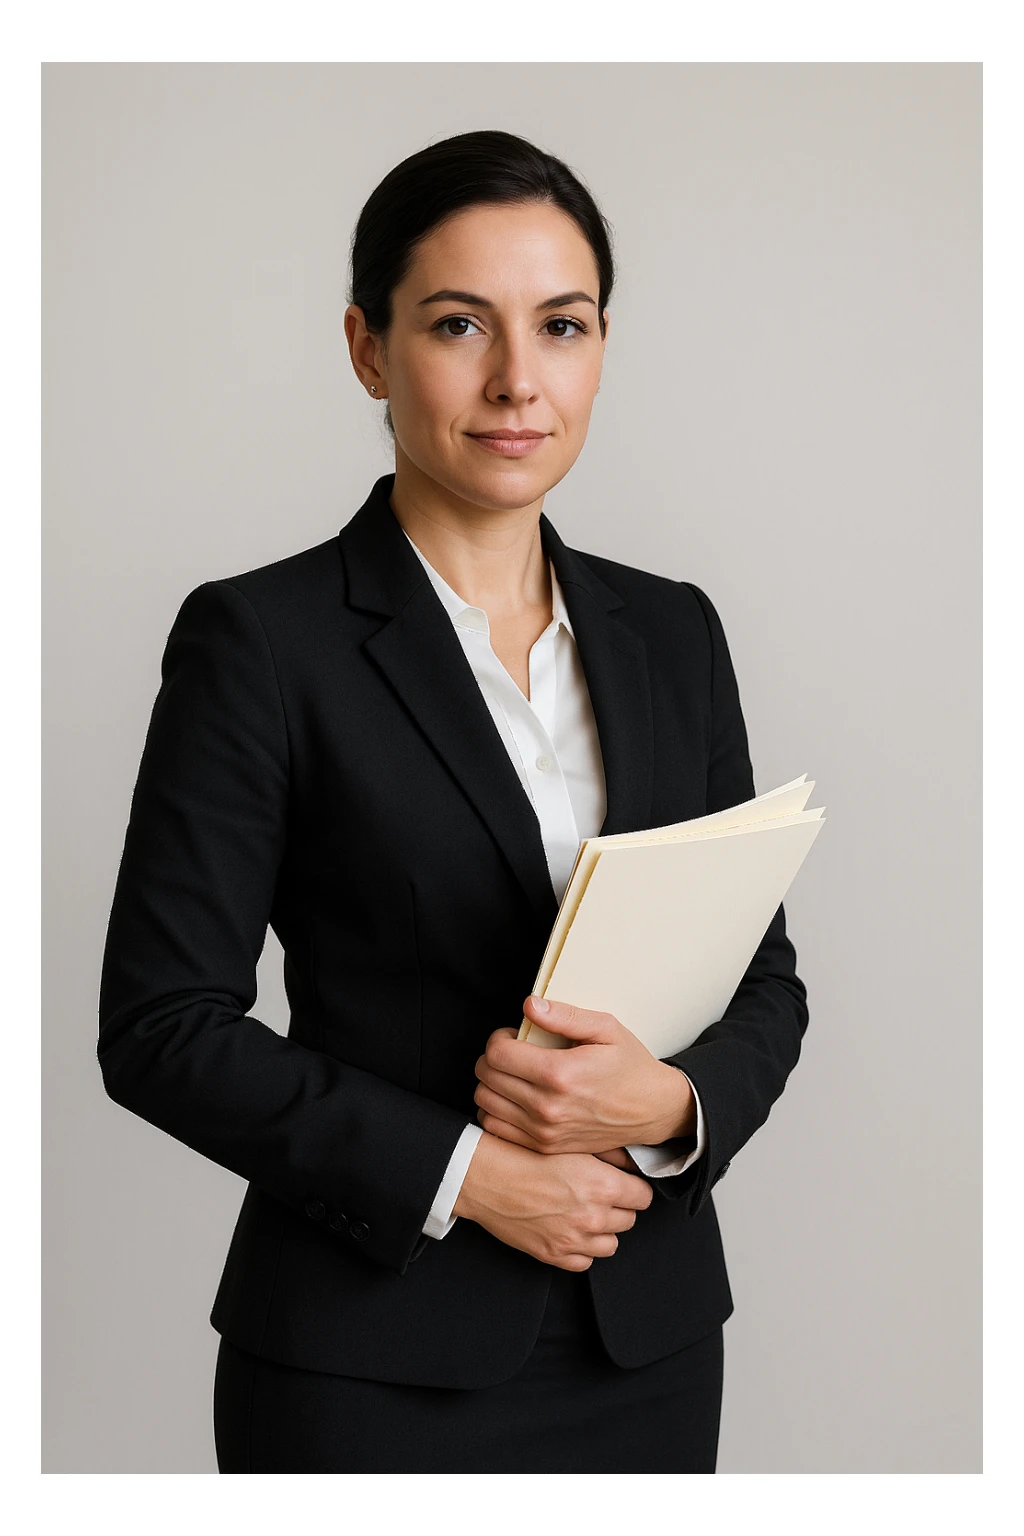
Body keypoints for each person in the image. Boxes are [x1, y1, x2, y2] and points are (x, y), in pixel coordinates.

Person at [97, 128, 809, 1474]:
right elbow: (163, 1026)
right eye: (457, 325)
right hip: (366, 1359)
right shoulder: (261, 640)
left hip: (643, 1346)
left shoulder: (673, 634)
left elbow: (762, 982)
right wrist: (468, 1178)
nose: (517, 381)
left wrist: (665, 1107)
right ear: (368, 348)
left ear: (605, 345)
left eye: (563, 325)